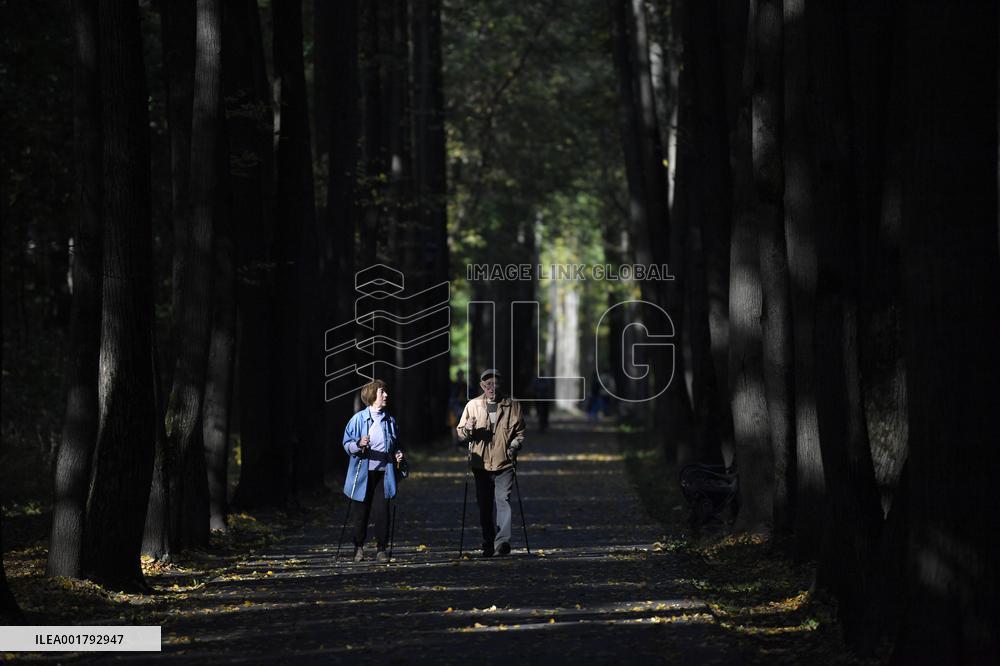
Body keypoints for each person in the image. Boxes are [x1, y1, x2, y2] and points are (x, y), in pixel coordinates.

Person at [456, 369, 526, 557]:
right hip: (481, 465)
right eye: (487, 384)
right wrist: (467, 429)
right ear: (482, 386)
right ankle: (488, 542)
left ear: (500, 385)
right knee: (485, 505)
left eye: (495, 383)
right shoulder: (473, 405)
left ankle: (502, 543)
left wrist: (513, 447)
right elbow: (461, 433)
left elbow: (520, 433)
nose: (491, 387)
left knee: (503, 500)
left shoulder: (512, 405)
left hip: (505, 462)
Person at [342, 379, 408, 563]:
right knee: (360, 513)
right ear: (372, 396)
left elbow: (396, 445)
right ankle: (359, 548)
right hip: (361, 475)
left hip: (383, 474)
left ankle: (381, 549)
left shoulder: (390, 420)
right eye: (381, 392)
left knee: (382, 512)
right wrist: (358, 444)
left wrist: (398, 455)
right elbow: (346, 444)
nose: (386, 395)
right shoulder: (357, 419)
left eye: (385, 392)